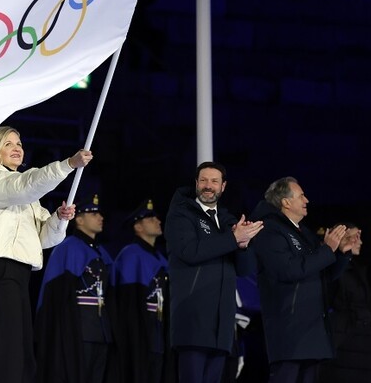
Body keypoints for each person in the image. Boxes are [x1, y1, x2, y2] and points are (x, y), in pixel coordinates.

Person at [0, 125, 91, 383]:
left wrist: (58, 220)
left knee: (26, 360)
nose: (17, 148)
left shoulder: (27, 197)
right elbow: (27, 185)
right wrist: (68, 165)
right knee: (10, 359)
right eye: (8, 144)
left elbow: (45, 239)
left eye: (19, 143)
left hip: (19, 274)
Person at [250, 177, 357, 383]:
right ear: (286, 202)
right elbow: (288, 270)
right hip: (289, 332)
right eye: (301, 196)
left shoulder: (304, 233)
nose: (306, 200)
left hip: (312, 331)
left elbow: (322, 274)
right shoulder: (269, 231)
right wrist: (326, 251)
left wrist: (340, 254)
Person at [165, 161, 264, 383]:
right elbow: (190, 251)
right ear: (196, 184)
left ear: (223, 186)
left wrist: (244, 245)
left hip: (222, 325)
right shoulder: (180, 215)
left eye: (214, 181)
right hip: (193, 320)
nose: (208, 186)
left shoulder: (228, 221)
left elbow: (245, 269)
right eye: (204, 180)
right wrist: (233, 239)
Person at [35, 194, 115, 383]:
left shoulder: (103, 252)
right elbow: (54, 294)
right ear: (78, 219)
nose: (100, 217)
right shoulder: (68, 248)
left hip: (101, 332)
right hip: (77, 331)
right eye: (93, 214)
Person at [112, 199, 173, 383]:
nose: (158, 221)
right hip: (140, 334)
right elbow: (127, 304)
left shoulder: (162, 258)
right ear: (138, 227)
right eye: (150, 218)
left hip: (159, 332)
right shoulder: (131, 255)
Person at [317, 223, 371, 383]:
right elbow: (329, 291)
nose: (359, 242)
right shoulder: (333, 268)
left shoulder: (357, 269)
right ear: (341, 239)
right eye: (354, 237)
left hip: (361, 343)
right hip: (343, 343)